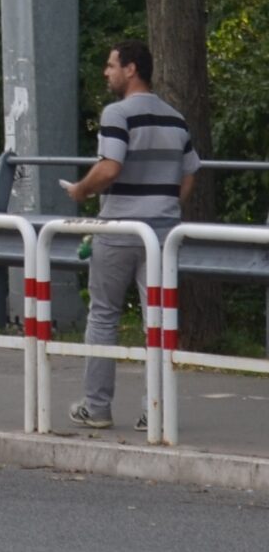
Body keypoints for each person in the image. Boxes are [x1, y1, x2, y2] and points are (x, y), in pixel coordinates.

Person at [63, 39, 197, 431]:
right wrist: (166, 206)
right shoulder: (176, 118)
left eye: (111, 65)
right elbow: (189, 174)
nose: (106, 73)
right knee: (156, 319)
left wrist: (80, 191)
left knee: (103, 315)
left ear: (131, 68)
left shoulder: (117, 114)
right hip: (162, 234)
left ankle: (97, 407)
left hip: (119, 228)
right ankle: (152, 409)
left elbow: (109, 167)